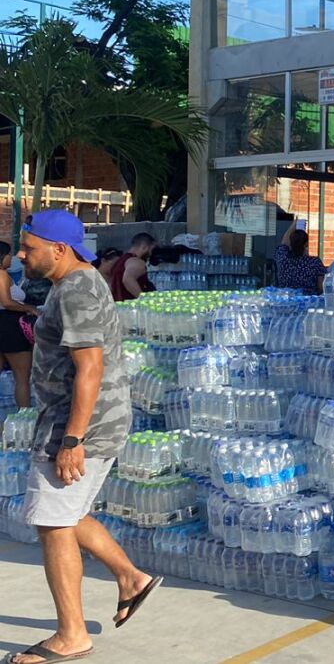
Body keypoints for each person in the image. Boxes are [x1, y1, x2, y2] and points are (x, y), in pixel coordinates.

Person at [11, 210, 160, 664]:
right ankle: (131, 577)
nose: (21, 254)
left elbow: (90, 367)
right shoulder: (75, 284)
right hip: (82, 422)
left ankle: (71, 635)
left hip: (78, 427)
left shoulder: (76, 289)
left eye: (28, 247)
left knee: (53, 524)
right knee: (68, 514)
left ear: (59, 249)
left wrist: (73, 440)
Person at [0, 240, 38, 408]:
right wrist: (30, 308)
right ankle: (25, 415)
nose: (12, 258)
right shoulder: (1, 275)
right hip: (9, 325)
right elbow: (7, 302)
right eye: (9, 254)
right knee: (22, 377)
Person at [274, 221, 327, 295]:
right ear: (306, 244)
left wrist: (294, 224)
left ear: (290, 243)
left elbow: (284, 243)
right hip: (308, 302)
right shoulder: (315, 262)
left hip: (285, 301)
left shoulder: (282, 258)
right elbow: (321, 287)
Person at [108, 233, 156, 303]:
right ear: (144, 247)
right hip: (132, 308)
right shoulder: (137, 262)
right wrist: (145, 301)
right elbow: (127, 279)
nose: (151, 254)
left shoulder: (119, 261)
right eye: (151, 250)